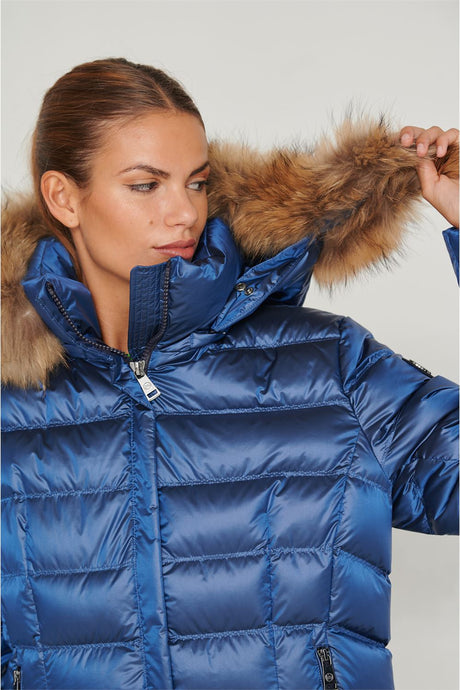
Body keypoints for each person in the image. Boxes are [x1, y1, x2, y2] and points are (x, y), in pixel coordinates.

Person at [1, 57, 458, 690]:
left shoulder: (325, 367)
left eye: (196, 183)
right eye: (145, 185)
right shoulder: (12, 408)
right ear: (63, 197)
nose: (184, 214)